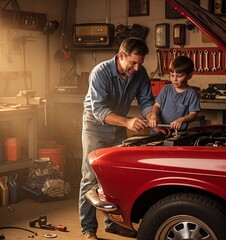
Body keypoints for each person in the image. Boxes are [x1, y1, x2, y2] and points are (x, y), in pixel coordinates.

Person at [79, 37, 155, 240]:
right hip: (95, 127)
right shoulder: (100, 73)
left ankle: (113, 224)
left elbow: (147, 101)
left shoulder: (140, 73)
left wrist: (152, 116)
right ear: (121, 56)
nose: (137, 68)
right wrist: (128, 122)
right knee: (90, 177)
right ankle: (88, 229)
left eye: (140, 63)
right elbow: (99, 111)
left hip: (118, 129)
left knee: (114, 179)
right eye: (133, 63)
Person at [148, 55, 201, 133]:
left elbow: (193, 114)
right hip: (159, 130)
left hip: (178, 133)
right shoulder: (166, 89)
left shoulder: (191, 93)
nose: (174, 79)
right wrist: (154, 116)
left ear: (189, 75)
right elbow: (156, 106)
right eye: (172, 75)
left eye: (179, 76)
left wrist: (181, 120)